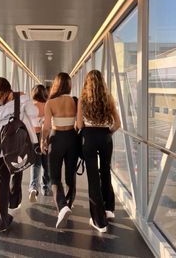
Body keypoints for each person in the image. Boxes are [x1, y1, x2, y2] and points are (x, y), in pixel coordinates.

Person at [0, 77, 38, 232]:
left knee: (2, 184)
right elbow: (34, 113)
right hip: (18, 145)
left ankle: (1, 222)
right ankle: (14, 201)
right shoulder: (21, 98)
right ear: (9, 87)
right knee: (17, 170)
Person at [77, 70, 121, 233]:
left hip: (89, 136)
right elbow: (117, 124)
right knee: (105, 171)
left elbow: (80, 125)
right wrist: (107, 133)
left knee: (93, 177)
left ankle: (98, 220)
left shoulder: (82, 100)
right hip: (105, 136)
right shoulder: (108, 99)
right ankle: (109, 209)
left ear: (87, 83)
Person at [41, 72, 78, 229]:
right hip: (72, 138)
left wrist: (43, 140)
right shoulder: (75, 101)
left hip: (56, 140)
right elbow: (79, 122)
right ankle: (68, 203)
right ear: (69, 85)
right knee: (71, 175)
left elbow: (47, 126)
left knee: (55, 177)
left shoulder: (50, 103)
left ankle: (62, 207)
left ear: (56, 84)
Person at [28, 84, 51, 202]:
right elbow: (48, 124)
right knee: (46, 163)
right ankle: (46, 188)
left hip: (33, 137)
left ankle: (33, 188)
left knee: (35, 164)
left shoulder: (31, 106)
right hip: (45, 135)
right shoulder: (47, 106)